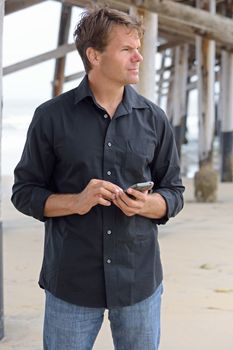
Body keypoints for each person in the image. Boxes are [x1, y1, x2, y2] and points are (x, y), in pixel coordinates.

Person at [11, 6, 185, 350]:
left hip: (139, 282)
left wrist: (148, 204)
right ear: (94, 55)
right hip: (72, 283)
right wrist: (76, 202)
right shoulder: (50, 118)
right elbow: (24, 192)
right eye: (126, 49)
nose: (138, 57)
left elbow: (175, 192)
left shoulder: (154, 119)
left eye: (138, 48)